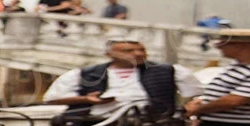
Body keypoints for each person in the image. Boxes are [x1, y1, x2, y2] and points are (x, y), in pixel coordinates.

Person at [43, 39, 204, 119]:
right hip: (95, 122)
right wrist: (86, 99)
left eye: (141, 50)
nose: (138, 54)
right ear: (110, 55)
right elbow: (51, 99)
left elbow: (197, 95)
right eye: (129, 51)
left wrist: (192, 106)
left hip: (149, 123)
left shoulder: (171, 70)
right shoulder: (82, 73)